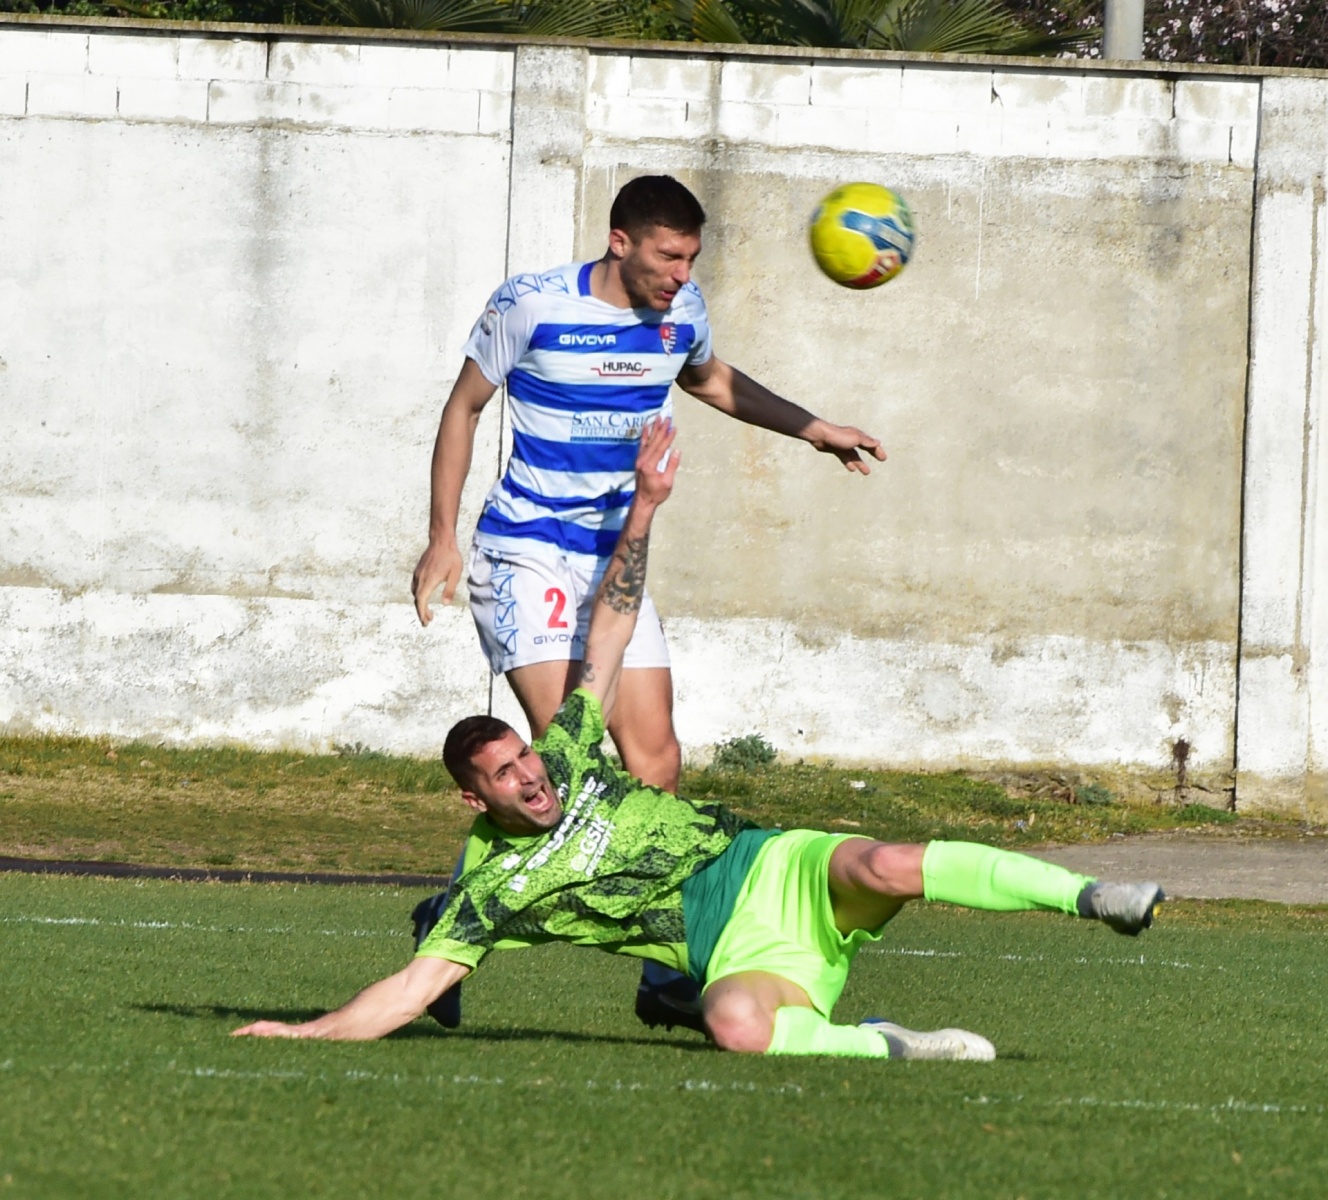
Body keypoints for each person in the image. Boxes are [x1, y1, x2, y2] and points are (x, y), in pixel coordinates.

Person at [236, 422, 1164, 1059]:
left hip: (768, 867)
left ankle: (1096, 898)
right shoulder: (491, 890)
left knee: (885, 864)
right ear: (473, 801)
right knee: (734, 1027)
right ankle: (880, 1043)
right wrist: (308, 1035)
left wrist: (644, 508)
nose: (533, 777)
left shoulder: (563, 751)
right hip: (734, 953)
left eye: (524, 758)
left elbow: (608, 626)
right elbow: (408, 990)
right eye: (508, 777)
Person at [408, 174, 885, 1031]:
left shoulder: (683, 309)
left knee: (656, 764)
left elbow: (708, 378)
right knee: (572, 766)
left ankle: (662, 973)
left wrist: (815, 429)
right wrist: (443, 536)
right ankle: (450, 918)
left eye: (691, 257)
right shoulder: (529, 305)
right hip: (524, 556)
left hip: (617, 557)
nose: (681, 272)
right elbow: (464, 408)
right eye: (668, 255)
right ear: (620, 241)